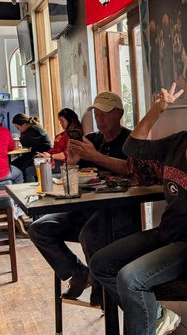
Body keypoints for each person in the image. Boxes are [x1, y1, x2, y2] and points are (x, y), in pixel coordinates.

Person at [90, 84, 187, 335]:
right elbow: (132, 149)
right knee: (101, 263)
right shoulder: (179, 140)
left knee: (129, 279)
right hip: (165, 233)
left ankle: (149, 320)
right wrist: (157, 109)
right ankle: (157, 315)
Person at [28, 92, 134, 307]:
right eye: (96, 114)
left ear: (120, 114)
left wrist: (95, 157)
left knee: (91, 235)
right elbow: (73, 178)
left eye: (105, 114)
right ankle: (78, 273)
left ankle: (102, 292)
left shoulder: (130, 141)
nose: (99, 119)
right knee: (39, 228)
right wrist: (73, 163)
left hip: (117, 215)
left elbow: (130, 171)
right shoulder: (92, 140)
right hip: (84, 208)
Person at [25, 108, 83, 182]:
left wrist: (51, 156)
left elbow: (68, 154)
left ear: (70, 120)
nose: (61, 124)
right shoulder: (61, 135)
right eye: (60, 122)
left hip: (63, 163)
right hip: (54, 159)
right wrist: (45, 154)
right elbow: (55, 149)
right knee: (32, 161)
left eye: (62, 121)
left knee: (30, 171)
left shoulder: (73, 135)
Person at [0, 124, 27, 235]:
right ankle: (17, 209)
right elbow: (11, 148)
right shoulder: (5, 132)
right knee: (19, 174)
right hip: (3, 173)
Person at [11, 113, 52, 180]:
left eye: (17, 127)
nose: (18, 130)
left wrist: (21, 135)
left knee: (19, 166)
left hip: (42, 155)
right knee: (14, 164)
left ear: (24, 124)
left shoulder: (33, 130)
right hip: (35, 154)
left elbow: (24, 142)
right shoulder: (32, 128)